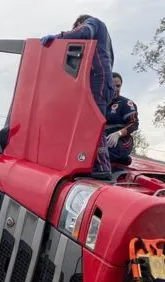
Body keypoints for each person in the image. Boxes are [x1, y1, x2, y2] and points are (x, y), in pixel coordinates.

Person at [41, 15, 115, 179]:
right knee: (89, 122)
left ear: (79, 22)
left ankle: (102, 167)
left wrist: (59, 37)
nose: (75, 30)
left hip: (99, 82)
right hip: (102, 82)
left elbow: (84, 32)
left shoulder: (93, 23)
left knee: (94, 123)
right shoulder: (105, 41)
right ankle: (93, 164)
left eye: (75, 27)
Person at [105, 72, 139, 164]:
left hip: (121, 141)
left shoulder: (126, 103)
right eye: (112, 85)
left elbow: (134, 124)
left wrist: (118, 133)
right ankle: (121, 160)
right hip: (102, 138)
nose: (115, 89)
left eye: (118, 86)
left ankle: (121, 158)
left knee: (101, 153)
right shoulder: (100, 102)